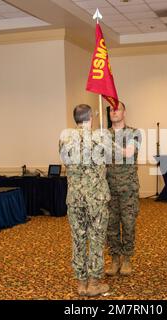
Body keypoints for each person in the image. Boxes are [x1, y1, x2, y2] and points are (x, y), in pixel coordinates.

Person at [59, 104, 111, 297]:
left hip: (75, 197)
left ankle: (81, 283)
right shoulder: (101, 137)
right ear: (90, 117)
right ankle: (94, 283)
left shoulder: (65, 137)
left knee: (78, 239)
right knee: (96, 239)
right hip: (96, 198)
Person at [105, 102, 141, 276]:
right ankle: (114, 258)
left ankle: (126, 258)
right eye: (111, 109)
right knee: (110, 226)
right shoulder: (104, 134)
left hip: (128, 189)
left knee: (128, 225)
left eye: (117, 109)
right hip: (108, 189)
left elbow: (127, 152)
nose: (114, 112)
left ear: (124, 112)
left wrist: (106, 143)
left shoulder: (134, 133)